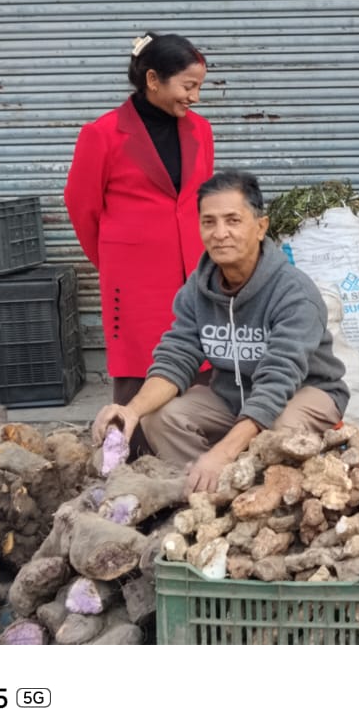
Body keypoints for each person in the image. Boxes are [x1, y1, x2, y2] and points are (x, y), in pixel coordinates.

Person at [91, 169, 350, 496]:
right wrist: (131, 410)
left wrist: (222, 452)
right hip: (232, 394)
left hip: (306, 391)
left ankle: (266, 496)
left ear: (261, 227)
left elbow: (277, 381)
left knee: (279, 431)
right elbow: (175, 359)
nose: (220, 233)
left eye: (233, 220)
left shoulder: (294, 293)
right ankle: (210, 492)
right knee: (159, 418)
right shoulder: (197, 290)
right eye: (209, 222)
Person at [65, 31, 215, 447]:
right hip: (132, 280)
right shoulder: (103, 134)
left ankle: (189, 450)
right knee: (138, 366)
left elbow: (202, 200)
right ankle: (128, 461)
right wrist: (114, 263)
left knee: (198, 361)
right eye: (189, 86)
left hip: (193, 270)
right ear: (153, 79)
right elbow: (82, 207)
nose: (196, 98)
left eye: (199, 87)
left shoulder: (201, 131)